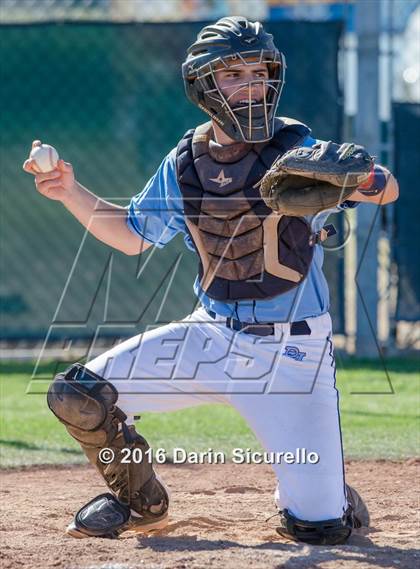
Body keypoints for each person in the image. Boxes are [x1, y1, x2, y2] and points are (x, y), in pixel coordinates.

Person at [23, 17, 399, 544]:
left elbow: (387, 189)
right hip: (210, 336)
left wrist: (362, 179)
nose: (252, 85)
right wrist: (68, 190)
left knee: (318, 530)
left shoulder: (297, 146)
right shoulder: (186, 160)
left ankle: (327, 495)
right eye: (234, 74)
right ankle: (139, 501)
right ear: (204, 85)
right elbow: (133, 234)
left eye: (259, 72)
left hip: (291, 357)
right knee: (77, 396)